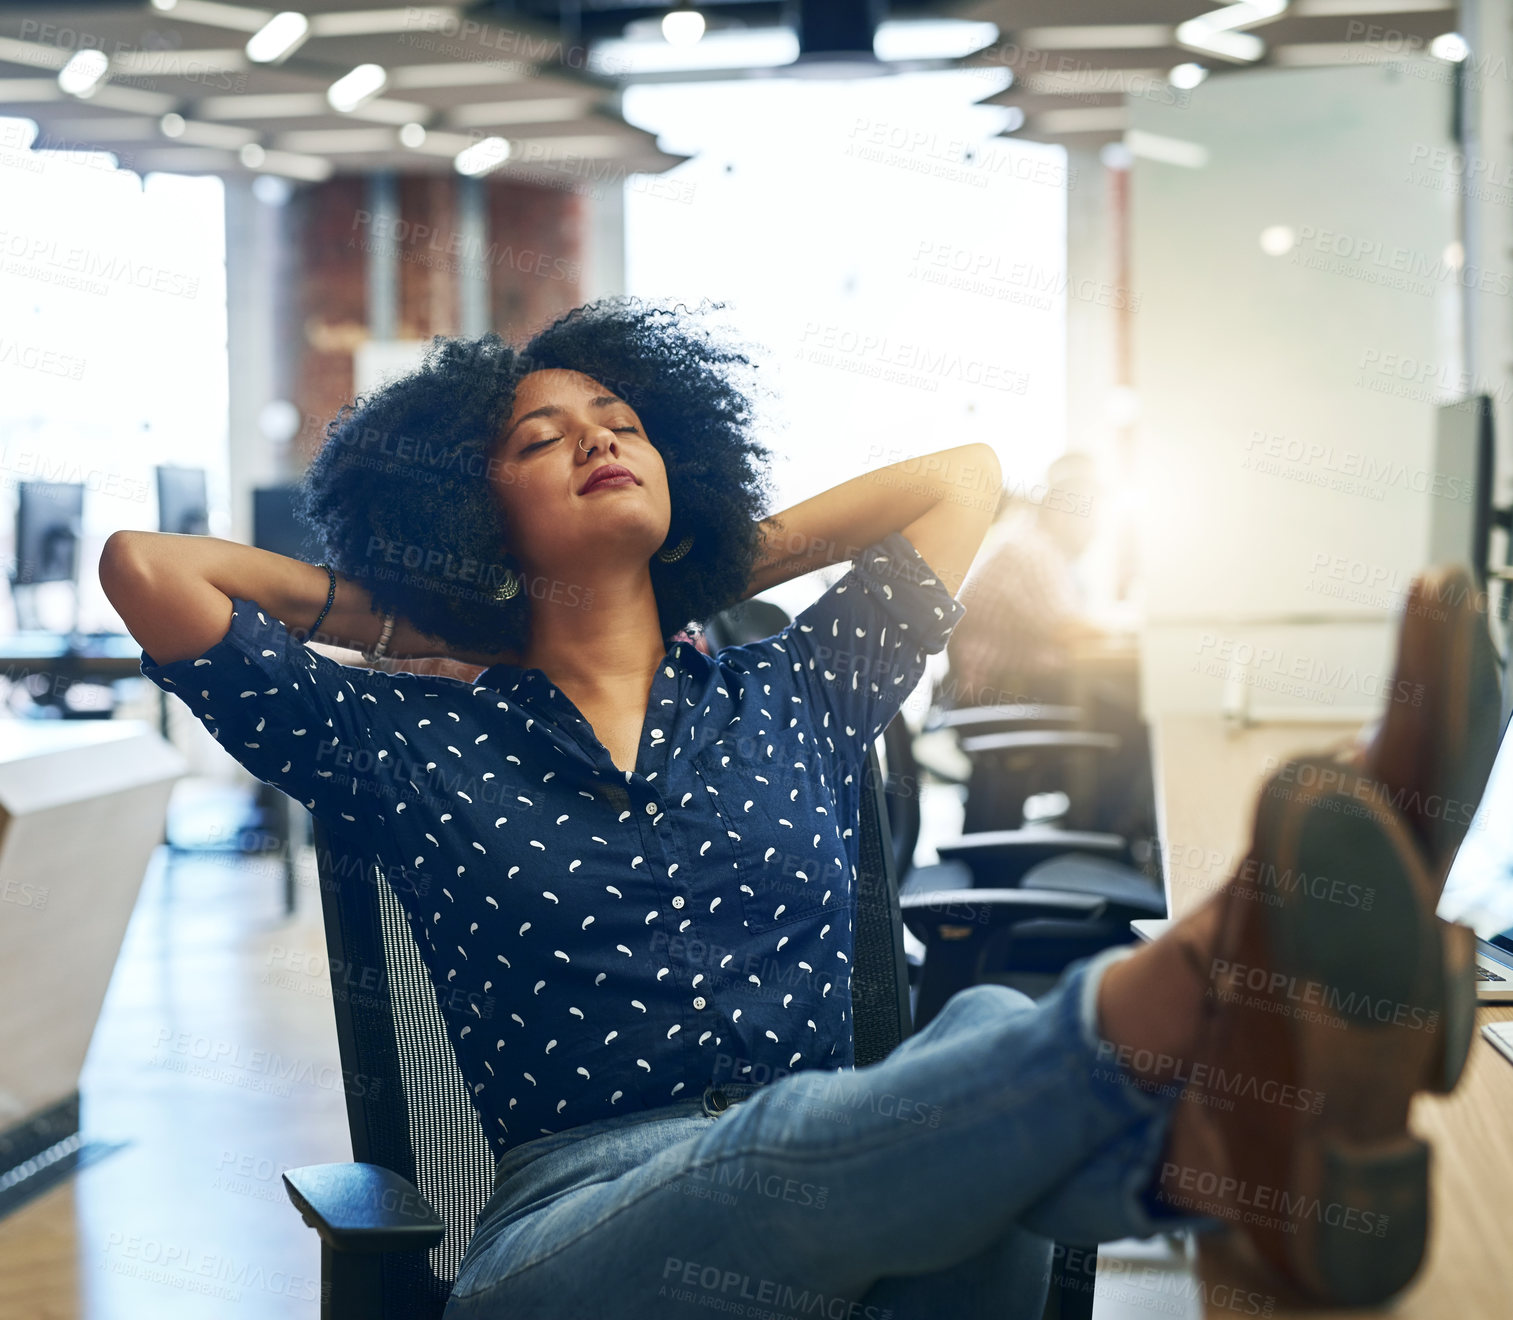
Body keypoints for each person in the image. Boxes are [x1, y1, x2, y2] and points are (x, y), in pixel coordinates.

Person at [100, 298, 1494, 1318]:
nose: (598, 437)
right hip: (578, 1232)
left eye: (626, 423)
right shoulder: (404, 739)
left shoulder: (796, 689)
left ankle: (1230, 1128)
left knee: (958, 1113)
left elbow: (963, 479)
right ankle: (1233, 979)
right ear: (469, 518)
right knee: (842, 1128)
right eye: (543, 438)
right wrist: (419, 618)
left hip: (863, 1171)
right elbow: (151, 570)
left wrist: (693, 568)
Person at [942, 451, 1107, 712]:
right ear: (1063, 514)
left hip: (1013, 698)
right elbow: (1069, 630)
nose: (1096, 532)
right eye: (1091, 519)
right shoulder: (1032, 552)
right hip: (1003, 704)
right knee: (1125, 716)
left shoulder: (1037, 546)